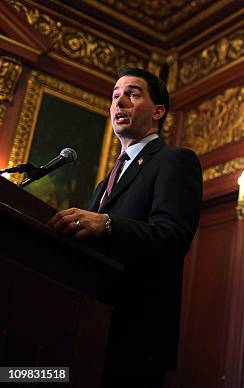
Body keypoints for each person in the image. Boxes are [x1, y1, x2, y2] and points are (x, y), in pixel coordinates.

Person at [48, 68, 203, 387]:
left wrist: (105, 223)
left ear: (158, 112)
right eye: (115, 96)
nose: (120, 102)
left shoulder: (175, 161)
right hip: (88, 323)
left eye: (132, 94)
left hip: (134, 333)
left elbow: (172, 237)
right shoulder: (107, 180)